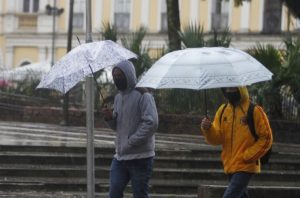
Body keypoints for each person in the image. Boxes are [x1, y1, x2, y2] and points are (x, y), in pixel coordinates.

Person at [200, 87, 273, 198]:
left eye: (233, 87)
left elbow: (267, 137)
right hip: (229, 165)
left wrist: (249, 155)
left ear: (241, 88)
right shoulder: (223, 110)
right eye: (227, 88)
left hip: (246, 165)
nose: (229, 91)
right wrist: (208, 129)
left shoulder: (254, 110)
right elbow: (217, 139)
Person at [102, 60, 159, 198]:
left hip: (141, 157)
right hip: (120, 157)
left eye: (120, 75)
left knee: (140, 194)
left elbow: (151, 123)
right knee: (114, 192)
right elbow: (118, 127)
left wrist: (131, 141)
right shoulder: (117, 98)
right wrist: (110, 118)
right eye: (115, 76)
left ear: (129, 74)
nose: (117, 78)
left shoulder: (143, 95)